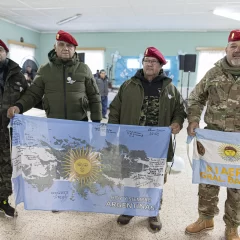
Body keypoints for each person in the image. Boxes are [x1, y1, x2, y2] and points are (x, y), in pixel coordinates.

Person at [108, 46, 186, 231]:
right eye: (146, 61)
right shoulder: (128, 86)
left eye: (154, 62)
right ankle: (130, 208)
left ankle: (153, 211)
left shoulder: (170, 88)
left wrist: (177, 122)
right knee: (130, 176)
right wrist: (111, 133)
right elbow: (115, 110)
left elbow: (179, 111)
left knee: (155, 178)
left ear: (160, 66)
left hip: (157, 144)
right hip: (132, 142)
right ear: (142, 63)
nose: (150, 64)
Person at [185, 29, 240, 240]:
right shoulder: (213, 73)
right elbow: (196, 98)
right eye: (233, 47)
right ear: (226, 49)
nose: (237, 51)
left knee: (237, 185)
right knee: (208, 182)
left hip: (239, 140)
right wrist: (194, 119)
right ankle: (205, 218)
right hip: (214, 138)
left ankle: (232, 226)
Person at [7, 30, 102, 123]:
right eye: (61, 44)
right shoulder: (45, 70)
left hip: (80, 123)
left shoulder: (84, 69)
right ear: (55, 48)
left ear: (74, 49)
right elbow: (33, 94)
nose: (65, 48)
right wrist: (18, 107)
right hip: (54, 124)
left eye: (69, 45)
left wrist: (96, 122)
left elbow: (94, 97)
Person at [0, 39, 28, 217]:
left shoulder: (17, 74)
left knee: (5, 164)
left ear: (6, 52)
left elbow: (28, 96)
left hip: (8, 127)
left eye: (0, 50)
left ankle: (3, 200)